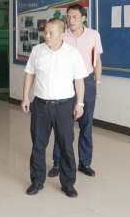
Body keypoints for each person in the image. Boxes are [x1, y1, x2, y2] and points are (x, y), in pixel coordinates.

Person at [21, 18, 87, 198]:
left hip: (64, 107)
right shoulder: (37, 50)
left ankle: (68, 183)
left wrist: (80, 103)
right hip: (40, 106)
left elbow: (79, 80)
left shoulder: (72, 54)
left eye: (51, 33)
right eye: (45, 32)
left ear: (62, 34)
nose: (47, 36)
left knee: (66, 146)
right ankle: (37, 180)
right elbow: (30, 74)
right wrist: (25, 97)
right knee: (38, 145)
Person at [48, 3, 103, 178]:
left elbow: (97, 61)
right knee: (63, 125)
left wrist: (97, 82)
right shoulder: (62, 35)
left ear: (83, 18)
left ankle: (85, 163)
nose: (70, 20)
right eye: (68, 17)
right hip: (66, 83)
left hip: (87, 82)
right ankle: (58, 162)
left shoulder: (93, 35)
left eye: (74, 17)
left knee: (86, 124)